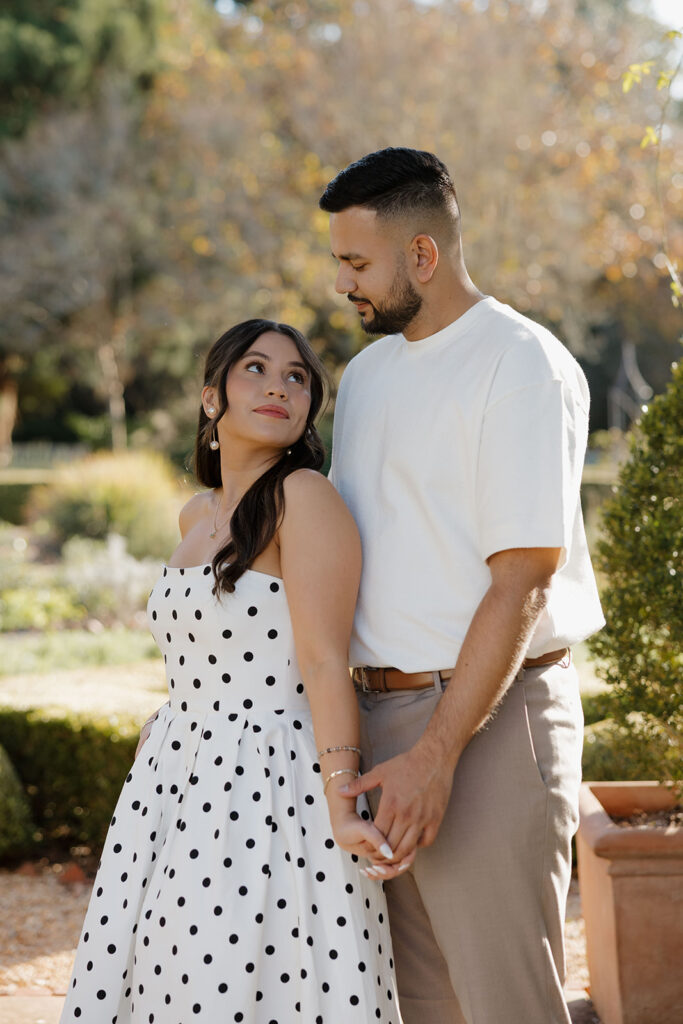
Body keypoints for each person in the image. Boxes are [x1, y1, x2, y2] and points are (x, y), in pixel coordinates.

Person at [319, 148, 605, 1024]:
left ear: (422, 255)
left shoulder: (518, 363)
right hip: (380, 730)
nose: (341, 285)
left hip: (486, 723)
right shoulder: (366, 377)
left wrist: (434, 758)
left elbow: (521, 578)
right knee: (423, 1011)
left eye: (356, 263)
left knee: (505, 1007)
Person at [59, 319, 402, 1024]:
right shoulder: (195, 514)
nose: (278, 384)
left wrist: (342, 799)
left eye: (296, 376)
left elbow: (320, 661)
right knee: (166, 975)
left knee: (252, 975)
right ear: (211, 397)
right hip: (174, 778)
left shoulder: (303, 498)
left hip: (269, 783)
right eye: (256, 368)